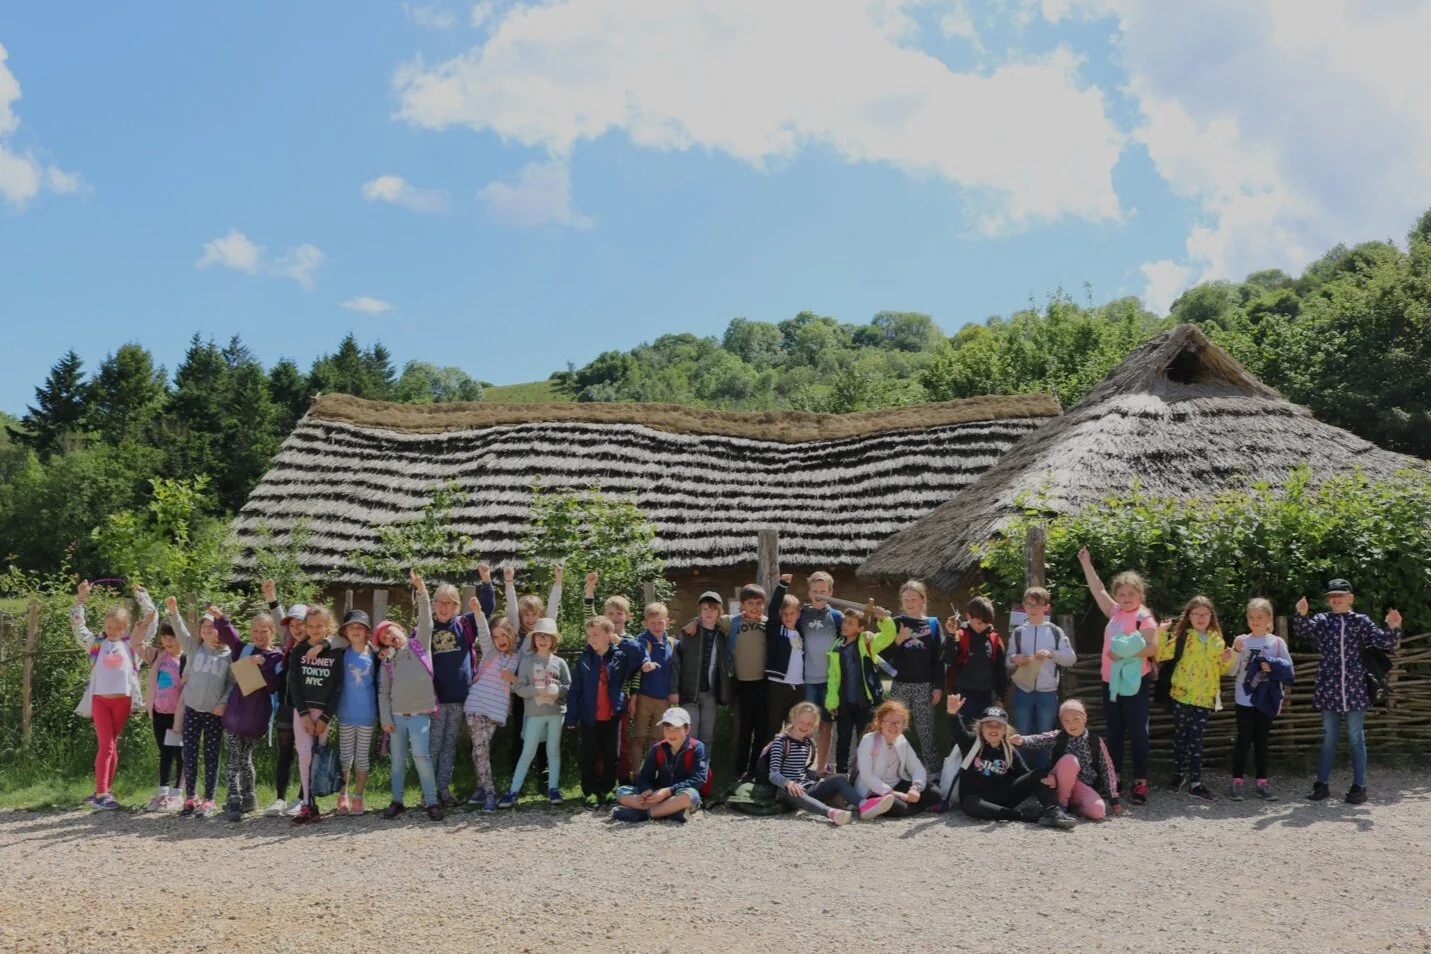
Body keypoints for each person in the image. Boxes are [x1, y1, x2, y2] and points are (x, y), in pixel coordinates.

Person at [1294, 579, 1402, 804]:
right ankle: (1321, 784)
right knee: (1329, 738)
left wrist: (1393, 627)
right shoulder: (1323, 620)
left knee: (1356, 738)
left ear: (1351, 598)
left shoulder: (1361, 621)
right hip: (1329, 687)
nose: (1336, 599)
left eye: (1341, 595)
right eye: (1332, 595)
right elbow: (1303, 630)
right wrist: (1301, 614)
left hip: (1354, 689)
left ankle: (1359, 787)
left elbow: (1384, 642)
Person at [1077, 547, 1158, 806]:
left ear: (1140, 594)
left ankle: (1140, 782)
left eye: (1130, 594)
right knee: (1114, 732)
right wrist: (1086, 564)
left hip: (1135, 683)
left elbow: (1153, 649)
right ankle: (1115, 778)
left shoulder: (1144, 618)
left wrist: (1123, 654)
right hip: (1110, 681)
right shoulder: (1115, 613)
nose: (1125, 598)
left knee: (1137, 732)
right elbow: (1098, 590)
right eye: (1121, 594)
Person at [71, 580, 154, 810]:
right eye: (110, 627)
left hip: (123, 702)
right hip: (100, 701)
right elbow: (79, 627)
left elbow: (152, 621)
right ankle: (101, 793)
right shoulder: (96, 644)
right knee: (106, 745)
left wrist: (142, 595)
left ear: (126, 627)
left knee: (111, 746)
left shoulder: (132, 646)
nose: (114, 631)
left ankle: (104, 789)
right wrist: (81, 598)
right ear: (105, 625)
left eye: (118, 628)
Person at [940, 695, 1074, 829]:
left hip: (1003, 797)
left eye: (998, 725)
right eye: (989, 725)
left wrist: (1045, 779)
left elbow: (1025, 775)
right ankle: (1021, 815)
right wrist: (953, 714)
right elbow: (958, 732)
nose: (993, 729)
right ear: (981, 728)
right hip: (977, 798)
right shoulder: (971, 743)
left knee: (1039, 775)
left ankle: (1052, 812)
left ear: (1005, 730)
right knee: (971, 804)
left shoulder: (1009, 750)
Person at [426, 563, 497, 807]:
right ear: (433, 604)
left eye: (449, 603)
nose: (444, 607)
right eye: (440, 602)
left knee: (449, 746)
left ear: (458, 607)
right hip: (434, 700)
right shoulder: (426, 628)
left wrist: (486, 582)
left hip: (460, 698)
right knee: (433, 746)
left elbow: (486, 609)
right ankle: (428, 792)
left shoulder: (466, 624)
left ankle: (443, 789)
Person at [567, 615, 651, 807]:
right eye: (588, 635)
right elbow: (575, 690)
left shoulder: (620, 657)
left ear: (609, 635)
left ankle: (608, 789)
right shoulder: (584, 659)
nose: (591, 639)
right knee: (589, 756)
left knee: (611, 756)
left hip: (611, 716)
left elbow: (639, 655)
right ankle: (590, 792)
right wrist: (571, 716)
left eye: (596, 634)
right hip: (589, 717)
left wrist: (621, 642)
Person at [378, 572, 443, 822]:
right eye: (383, 637)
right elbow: (383, 692)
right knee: (397, 761)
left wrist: (422, 590)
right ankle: (397, 800)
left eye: (390, 631)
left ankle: (432, 801)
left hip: (419, 717)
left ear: (401, 629)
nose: (388, 637)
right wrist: (385, 718)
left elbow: (426, 619)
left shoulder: (420, 644)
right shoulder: (387, 661)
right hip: (396, 717)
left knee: (422, 757)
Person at [1157, 596, 1234, 801]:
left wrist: (1228, 660)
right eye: (1196, 614)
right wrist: (1162, 632)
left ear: (1211, 616)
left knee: (1197, 739)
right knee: (1181, 736)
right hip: (1181, 695)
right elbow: (1161, 654)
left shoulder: (1217, 640)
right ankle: (1177, 775)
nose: (1200, 618)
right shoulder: (1182, 636)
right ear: (1189, 616)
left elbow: (1222, 669)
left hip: (1205, 697)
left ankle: (1196, 782)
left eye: (1204, 614)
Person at [165, 596, 235, 818]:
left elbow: (232, 684)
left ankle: (209, 799)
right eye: (204, 626)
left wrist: (223, 703)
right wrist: (173, 611)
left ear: (220, 630)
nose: (207, 630)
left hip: (214, 713)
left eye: (212, 626)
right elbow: (181, 631)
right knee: (190, 752)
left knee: (211, 754)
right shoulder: (194, 648)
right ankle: (190, 797)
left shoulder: (229, 654)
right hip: (193, 708)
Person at [213, 605, 283, 822]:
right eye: (255, 631)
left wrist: (262, 666)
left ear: (272, 632)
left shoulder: (278, 657)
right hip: (235, 712)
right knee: (235, 755)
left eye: (264, 631)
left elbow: (274, 686)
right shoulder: (244, 650)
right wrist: (221, 619)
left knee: (245, 756)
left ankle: (247, 796)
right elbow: (231, 637)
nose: (259, 635)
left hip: (256, 715)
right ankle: (235, 798)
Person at [1228, 599, 1295, 801]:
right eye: (1251, 617)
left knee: (1262, 741)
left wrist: (1272, 667)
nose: (1255, 621)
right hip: (1244, 698)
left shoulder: (1276, 642)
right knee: (1243, 740)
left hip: (1265, 699)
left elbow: (1288, 670)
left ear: (1268, 619)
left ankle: (1262, 783)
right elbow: (1231, 670)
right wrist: (1236, 652)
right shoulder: (1241, 640)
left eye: (1259, 617)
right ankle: (1237, 781)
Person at [501, 618, 572, 807]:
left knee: (553, 751)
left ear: (553, 640)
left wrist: (558, 691)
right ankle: (513, 790)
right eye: (539, 635)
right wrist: (536, 691)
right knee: (528, 751)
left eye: (547, 636)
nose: (543, 639)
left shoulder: (560, 662)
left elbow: (568, 687)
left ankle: (553, 788)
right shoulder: (527, 661)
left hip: (556, 713)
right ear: (533, 639)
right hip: (534, 713)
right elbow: (519, 688)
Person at [1011, 700, 1120, 822]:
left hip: (1082, 786)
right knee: (1070, 760)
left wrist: (1113, 797)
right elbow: (1039, 739)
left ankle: (1075, 809)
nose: (1071, 724)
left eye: (1076, 719)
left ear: (1085, 718)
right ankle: (1061, 804)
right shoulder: (1057, 737)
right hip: (1059, 783)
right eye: (1066, 721)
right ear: (1062, 723)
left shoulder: (1096, 741)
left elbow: (1107, 768)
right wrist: (1022, 740)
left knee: (1098, 811)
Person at [767, 701, 873, 825]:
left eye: (810, 724)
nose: (805, 726)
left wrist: (817, 774)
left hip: (808, 788)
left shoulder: (806, 743)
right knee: (796, 792)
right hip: (787, 792)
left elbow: (802, 772)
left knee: (839, 780)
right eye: (802, 722)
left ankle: (864, 805)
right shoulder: (780, 742)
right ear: (794, 719)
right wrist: (788, 783)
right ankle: (831, 813)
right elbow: (773, 774)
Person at [505, 565, 563, 786]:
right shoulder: (518, 636)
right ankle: (517, 773)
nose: (530, 619)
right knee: (521, 732)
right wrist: (509, 583)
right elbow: (511, 610)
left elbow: (553, 611)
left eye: (534, 614)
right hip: (523, 691)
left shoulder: (544, 634)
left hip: (544, 691)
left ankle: (544, 774)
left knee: (544, 734)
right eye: (526, 614)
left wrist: (558, 583)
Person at [1005, 587, 1075, 770]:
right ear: (1024, 607)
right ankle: (1022, 774)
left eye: (1037, 604)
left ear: (1047, 607)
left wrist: (1052, 654)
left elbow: (1071, 659)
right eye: (1028, 604)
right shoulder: (1018, 632)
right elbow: (1007, 660)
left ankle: (1042, 775)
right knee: (1022, 733)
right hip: (1023, 690)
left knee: (1045, 735)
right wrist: (1014, 659)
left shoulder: (1055, 631)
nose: (1033, 608)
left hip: (1048, 691)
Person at [286, 606, 343, 824]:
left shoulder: (336, 651)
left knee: (317, 757)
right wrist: (303, 714)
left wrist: (326, 717)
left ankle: (317, 799)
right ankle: (307, 804)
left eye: (320, 626)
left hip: (324, 714)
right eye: (310, 626)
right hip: (302, 713)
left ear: (328, 626)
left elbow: (338, 687)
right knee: (304, 755)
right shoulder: (298, 652)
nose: (315, 629)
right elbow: (294, 685)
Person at [881, 580, 943, 775]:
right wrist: (898, 640)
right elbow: (882, 657)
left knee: (926, 731)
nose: (909, 603)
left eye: (913, 599)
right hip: (900, 685)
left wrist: (938, 687)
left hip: (924, 685)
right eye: (906, 599)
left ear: (923, 600)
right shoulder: (896, 622)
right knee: (893, 728)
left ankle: (933, 772)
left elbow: (939, 660)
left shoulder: (932, 623)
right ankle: (892, 770)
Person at [463, 605, 518, 812]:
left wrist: (512, 678)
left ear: (512, 634)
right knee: (481, 749)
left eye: (504, 635)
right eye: (496, 636)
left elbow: (520, 683)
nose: (500, 639)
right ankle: (489, 792)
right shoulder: (490, 651)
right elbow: (483, 631)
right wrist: (478, 611)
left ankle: (479, 787)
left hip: (496, 710)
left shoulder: (518, 656)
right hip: (477, 705)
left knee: (480, 751)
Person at [323, 609, 378, 816]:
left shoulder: (375, 654)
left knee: (362, 758)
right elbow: (329, 640)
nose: (355, 631)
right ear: (345, 632)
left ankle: (358, 797)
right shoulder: (341, 654)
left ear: (367, 632)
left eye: (360, 627)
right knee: (345, 757)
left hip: (367, 715)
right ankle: (343, 795)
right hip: (345, 714)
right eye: (351, 627)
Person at [611, 706, 708, 823]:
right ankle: (670, 812)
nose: (671, 733)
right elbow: (644, 777)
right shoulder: (658, 748)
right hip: (658, 794)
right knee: (622, 792)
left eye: (676, 728)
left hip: (680, 793)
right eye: (667, 728)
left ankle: (644, 814)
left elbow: (698, 779)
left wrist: (668, 791)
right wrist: (648, 790)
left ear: (687, 729)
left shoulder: (697, 748)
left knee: (689, 796)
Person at [262, 580, 308, 816]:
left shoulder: (317, 646)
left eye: (301, 623)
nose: (297, 628)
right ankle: (280, 798)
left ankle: (302, 798)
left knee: (305, 753)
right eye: (292, 624)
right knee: (285, 752)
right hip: (286, 706)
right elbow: (277, 615)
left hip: (308, 710)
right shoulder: (289, 645)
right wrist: (271, 595)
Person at [825, 607, 888, 775]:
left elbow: (887, 636)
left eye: (850, 623)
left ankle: (863, 774)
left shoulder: (867, 643)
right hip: (845, 703)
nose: (845, 625)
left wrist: (884, 620)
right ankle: (841, 773)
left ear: (861, 628)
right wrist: (832, 702)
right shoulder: (836, 647)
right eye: (845, 621)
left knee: (865, 740)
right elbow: (833, 679)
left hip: (864, 704)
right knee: (843, 739)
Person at [674, 591, 732, 753]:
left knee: (707, 735)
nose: (709, 612)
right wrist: (674, 689)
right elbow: (675, 662)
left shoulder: (722, 636)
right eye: (705, 609)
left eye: (713, 609)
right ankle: (687, 768)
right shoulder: (688, 633)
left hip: (711, 694)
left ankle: (703, 770)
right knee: (691, 734)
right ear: (699, 613)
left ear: (719, 613)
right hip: (690, 692)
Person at [136, 618, 185, 811]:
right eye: (164, 637)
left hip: (178, 715)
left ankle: (178, 793)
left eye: (172, 637)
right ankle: (163, 792)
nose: (168, 641)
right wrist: (144, 624)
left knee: (179, 754)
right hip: (159, 713)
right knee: (164, 753)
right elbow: (136, 644)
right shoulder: (158, 655)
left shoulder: (187, 659)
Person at [797, 571, 842, 774]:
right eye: (815, 591)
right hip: (807, 679)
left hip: (830, 682)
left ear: (831, 592)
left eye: (823, 591)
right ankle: (799, 766)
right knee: (805, 725)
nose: (819, 595)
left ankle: (822, 767)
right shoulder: (801, 615)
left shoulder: (837, 617)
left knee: (826, 725)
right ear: (809, 592)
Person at [852, 700, 927, 818]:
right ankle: (918, 807)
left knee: (934, 793)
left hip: (896, 783)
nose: (893, 726)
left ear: (904, 725)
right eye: (889, 722)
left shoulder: (902, 740)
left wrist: (915, 788)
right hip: (874, 789)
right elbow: (867, 776)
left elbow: (917, 768)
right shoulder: (869, 740)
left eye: (898, 723)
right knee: (898, 807)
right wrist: (893, 793)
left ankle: (914, 806)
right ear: (880, 722)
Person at [628, 602, 680, 769]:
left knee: (657, 739)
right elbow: (641, 653)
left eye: (660, 622)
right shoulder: (643, 639)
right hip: (644, 697)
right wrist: (646, 663)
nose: (656, 626)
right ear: (645, 623)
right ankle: (636, 773)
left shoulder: (673, 643)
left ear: (667, 622)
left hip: (664, 700)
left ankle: (651, 772)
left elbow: (676, 670)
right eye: (652, 623)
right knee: (639, 737)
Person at [729, 582, 772, 781]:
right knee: (745, 727)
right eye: (750, 603)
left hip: (764, 682)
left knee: (761, 728)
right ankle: (739, 770)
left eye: (758, 603)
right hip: (742, 682)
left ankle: (756, 769)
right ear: (742, 604)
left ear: (764, 604)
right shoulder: (732, 622)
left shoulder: (768, 623)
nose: (754, 607)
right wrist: (693, 622)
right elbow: (707, 618)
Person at [943, 596, 1006, 729]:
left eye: (986, 623)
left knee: (984, 733)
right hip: (962, 696)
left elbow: (1000, 670)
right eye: (978, 623)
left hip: (986, 696)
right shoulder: (958, 636)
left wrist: (1000, 698)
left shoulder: (994, 639)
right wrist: (950, 635)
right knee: (962, 733)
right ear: (968, 616)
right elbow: (947, 659)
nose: (982, 626)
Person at [764, 576, 804, 743]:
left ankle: (789, 766)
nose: (788, 617)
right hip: (778, 685)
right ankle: (768, 766)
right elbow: (773, 608)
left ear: (798, 614)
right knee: (773, 728)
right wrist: (782, 585)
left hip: (799, 686)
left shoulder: (801, 631)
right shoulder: (776, 629)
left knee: (794, 728)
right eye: (785, 614)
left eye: (792, 613)